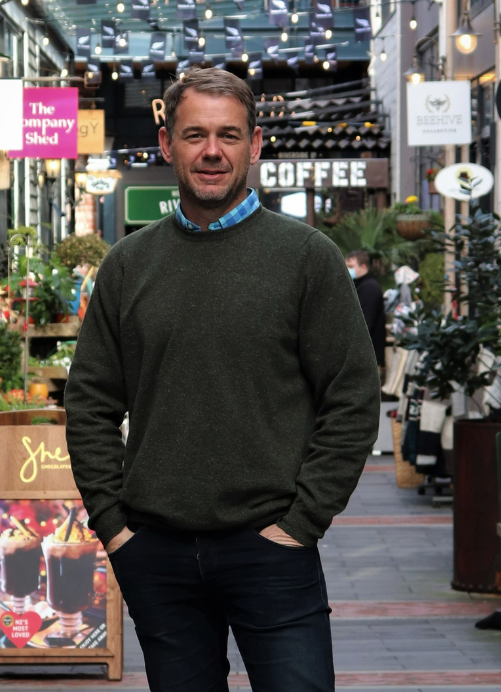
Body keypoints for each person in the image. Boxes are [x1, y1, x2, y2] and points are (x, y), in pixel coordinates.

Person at [65, 68, 380, 692]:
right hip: (156, 550)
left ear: (255, 146)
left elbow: (352, 397)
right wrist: (115, 525)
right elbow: (90, 402)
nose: (212, 151)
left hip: (272, 549)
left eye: (229, 135)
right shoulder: (129, 265)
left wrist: (301, 522)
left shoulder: (306, 258)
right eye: (195, 135)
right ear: (166, 145)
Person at [345, 250, 386, 370]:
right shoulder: (360, 285)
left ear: (363, 267)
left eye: (351, 266)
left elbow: (365, 323)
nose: (347, 270)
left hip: (366, 358)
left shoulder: (369, 287)